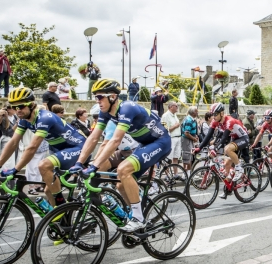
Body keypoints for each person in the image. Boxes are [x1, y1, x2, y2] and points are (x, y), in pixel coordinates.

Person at [71, 79, 171, 232]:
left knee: (123, 170)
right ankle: (137, 214)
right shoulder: (106, 114)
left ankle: (138, 218)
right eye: (95, 97)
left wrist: (93, 166)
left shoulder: (127, 108)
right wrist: (79, 163)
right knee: (120, 184)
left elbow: (115, 140)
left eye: (100, 97)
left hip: (161, 141)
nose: (97, 101)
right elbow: (93, 138)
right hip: (144, 144)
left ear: (112, 97)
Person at [0, 87, 87, 209]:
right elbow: (13, 142)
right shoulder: (24, 120)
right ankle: (62, 221)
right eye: (14, 107)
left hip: (78, 147)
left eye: (21, 106)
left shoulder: (45, 118)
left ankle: (61, 206)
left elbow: (32, 148)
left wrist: (15, 170)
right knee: (49, 190)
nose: (17, 111)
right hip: (62, 150)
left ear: (32, 105)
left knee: (43, 165)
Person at [196, 103, 250, 199]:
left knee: (227, 149)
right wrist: (199, 148)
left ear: (222, 113)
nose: (214, 116)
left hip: (243, 138)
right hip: (234, 138)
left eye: (215, 114)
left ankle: (239, 168)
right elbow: (208, 136)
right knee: (227, 165)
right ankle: (228, 189)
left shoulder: (229, 121)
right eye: (212, 114)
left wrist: (216, 149)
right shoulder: (215, 121)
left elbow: (225, 138)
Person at [26, 106, 52, 195]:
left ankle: (37, 185)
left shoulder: (44, 121)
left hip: (43, 147)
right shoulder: (31, 122)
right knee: (32, 168)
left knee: (38, 168)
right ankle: (31, 187)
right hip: (34, 147)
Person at [161, 102, 182, 178]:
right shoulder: (165, 116)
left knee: (176, 157)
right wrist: (175, 126)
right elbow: (165, 129)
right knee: (169, 157)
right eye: (175, 106)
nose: (177, 107)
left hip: (178, 137)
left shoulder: (174, 115)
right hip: (171, 138)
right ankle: (167, 174)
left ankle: (176, 173)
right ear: (171, 107)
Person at [0, 104, 19, 171]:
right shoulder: (4, 119)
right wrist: (16, 125)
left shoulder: (15, 117)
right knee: (8, 162)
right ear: (9, 110)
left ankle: (11, 179)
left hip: (15, 140)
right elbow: (7, 133)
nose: (16, 110)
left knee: (15, 161)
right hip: (7, 140)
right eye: (14, 108)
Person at [181, 106, 199, 174]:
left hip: (190, 139)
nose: (198, 113)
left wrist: (195, 136)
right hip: (186, 140)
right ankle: (186, 173)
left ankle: (189, 172)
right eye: (196, 111)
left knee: (190, 157)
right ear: (193, 112)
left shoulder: (192, 119)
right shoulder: (189, 120)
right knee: (186, 157)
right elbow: (186, 133)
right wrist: (194, 138)